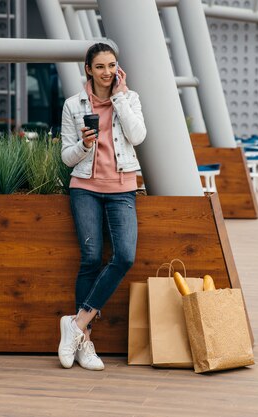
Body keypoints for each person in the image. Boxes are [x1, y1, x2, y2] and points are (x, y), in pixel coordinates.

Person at [59, 42, 147, 371]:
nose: (107, 72)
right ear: (88, 69)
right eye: (100, 67)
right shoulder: (73, 104)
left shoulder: (130, 98)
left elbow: (137, 136)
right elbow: (66, 157)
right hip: (85, 188)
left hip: (122, 187)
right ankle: (85, 342)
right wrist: (83, 145)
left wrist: (120, 97)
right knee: (91, 259)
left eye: (112, 66)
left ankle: (76, 325)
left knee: (124, 256)